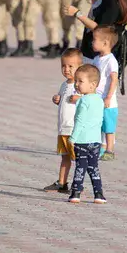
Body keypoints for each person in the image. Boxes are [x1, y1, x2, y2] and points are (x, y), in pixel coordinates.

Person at [44, 48, 83, 194]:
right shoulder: (64, 84)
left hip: (74, 129)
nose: (66, 69)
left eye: (71, 66)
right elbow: (63, 101)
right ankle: (62, 183)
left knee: (79, 159)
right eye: (64, 66)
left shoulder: (80, 85)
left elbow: (90, 100)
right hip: (63, 128)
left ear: (80, 66)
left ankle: (78, 184)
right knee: (65, 157)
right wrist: (57, 99)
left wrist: (79, 98)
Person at [68, 64, 106, 204]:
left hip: (82, 141)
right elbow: (100, 121)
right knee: (93, 167)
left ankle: (76, 193)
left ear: (93, 84)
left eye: (80, 81)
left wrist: (72, 138)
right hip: (95, 141)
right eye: (76, 81)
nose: (77, 84)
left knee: (80, 167)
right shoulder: (99, 100)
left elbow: (80, 121)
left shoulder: (83, 100)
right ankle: (99, 194)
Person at [91, 27, 119, 161]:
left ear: (106, 43)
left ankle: (110, 149)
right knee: (99, 124)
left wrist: (108, 97)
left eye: (95, 40)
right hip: (97, 98)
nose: (92, 42)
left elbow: (114, 79)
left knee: (108, 127)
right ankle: (101, 147)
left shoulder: (111, 61)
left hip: (108, 101)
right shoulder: (97, 59)